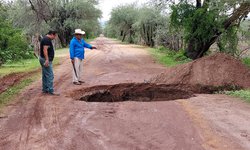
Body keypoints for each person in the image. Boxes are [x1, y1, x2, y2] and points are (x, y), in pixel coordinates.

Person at [39, 30, 59, 95]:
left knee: (45, 75)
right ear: (52, 34)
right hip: (45, 59)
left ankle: (45, 89)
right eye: (55, 36)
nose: (55, 38)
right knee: (50, 75)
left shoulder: (45, 39)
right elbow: (45, 50)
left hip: (43, 58)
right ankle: (51, 90)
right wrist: (47, 60)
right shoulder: (47, 40)